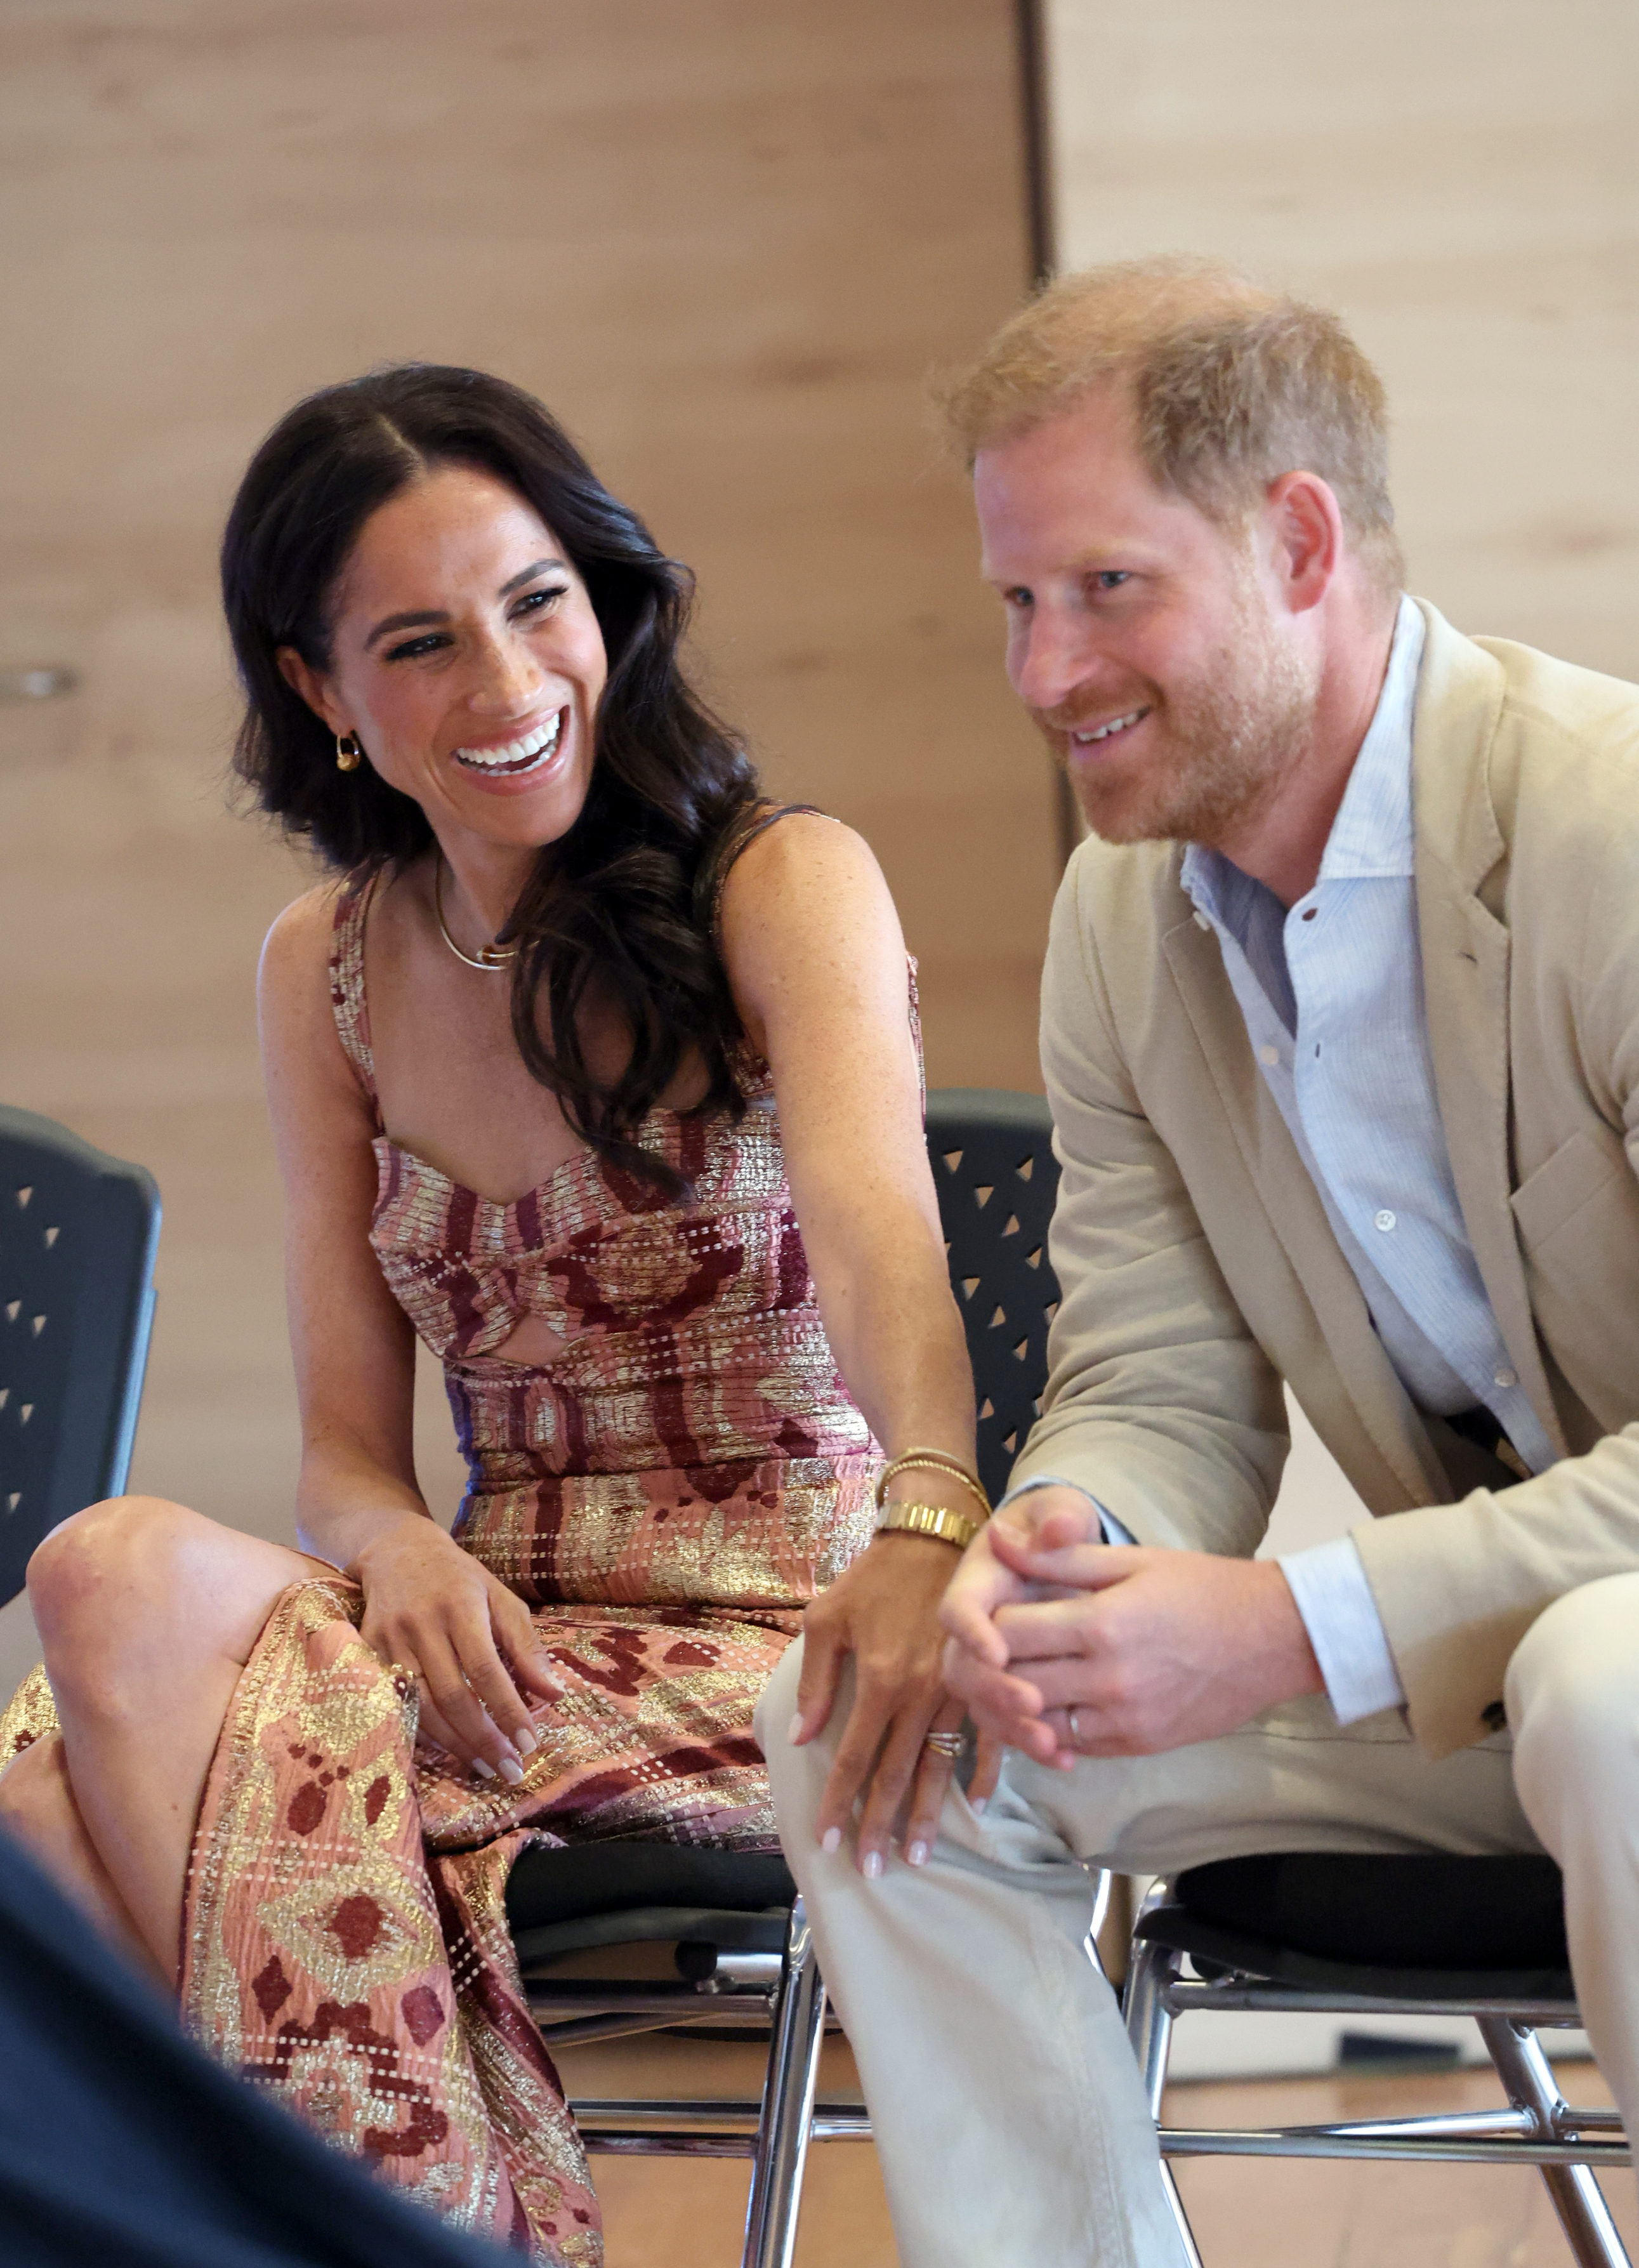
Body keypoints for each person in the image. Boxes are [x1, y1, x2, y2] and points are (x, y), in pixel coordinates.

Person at [0, 364, 989, 2263]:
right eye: (422, 642)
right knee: (95, 1644)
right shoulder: (331, 967)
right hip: (486, 1644)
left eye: (541, 604)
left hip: (775, 1635)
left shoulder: (784, 881)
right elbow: (347, 1455)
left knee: (72, 1759)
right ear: (321, 693)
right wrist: (391, 1554)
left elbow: (884, 1262)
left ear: (604, 598)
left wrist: (931, 1520)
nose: (511, 683)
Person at [758, 255, 1639, 2267]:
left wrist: (1287, 1627)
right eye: (1015, 601)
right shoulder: (1117, 923)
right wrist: (1055, 1544)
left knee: (1611, 1679)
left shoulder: (1616, 833)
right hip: (1495, 1686)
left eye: (1106, 589)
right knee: (869, 1725)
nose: (1045, 672)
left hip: (1603, 1678)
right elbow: (1158, 1375)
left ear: (1298, 541)